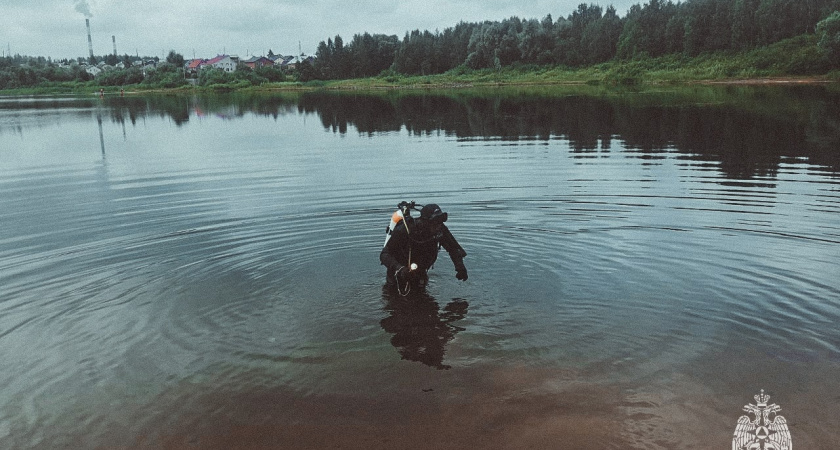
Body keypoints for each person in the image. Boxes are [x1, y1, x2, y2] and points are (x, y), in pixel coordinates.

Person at [380, 203, 468, 293]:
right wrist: (400, 269)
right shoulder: (406, 230)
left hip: (420, 273)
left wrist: (460, 266)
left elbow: (453, 248)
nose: (438, 225)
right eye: (435, 222)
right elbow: (384, 254)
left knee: (424, 302)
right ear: (425, 222)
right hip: (397, 276)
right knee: (394, 301)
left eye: (440, 222)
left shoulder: (440, 229)